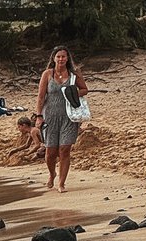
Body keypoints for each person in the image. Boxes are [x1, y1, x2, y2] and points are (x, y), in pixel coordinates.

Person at [35, 46, 88, 192]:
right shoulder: (47, 74)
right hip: (50, 117)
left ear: (67, 58)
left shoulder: (73, 74)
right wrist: (39, 116)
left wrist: (73, 92)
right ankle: (52, 174)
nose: (61, 59)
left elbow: (85, 89)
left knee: (64, 149)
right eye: (58, 56)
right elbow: (40, 97)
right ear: (54, 58)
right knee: (50, 152)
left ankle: (61, 183)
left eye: (64, 56)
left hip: (69, 116)